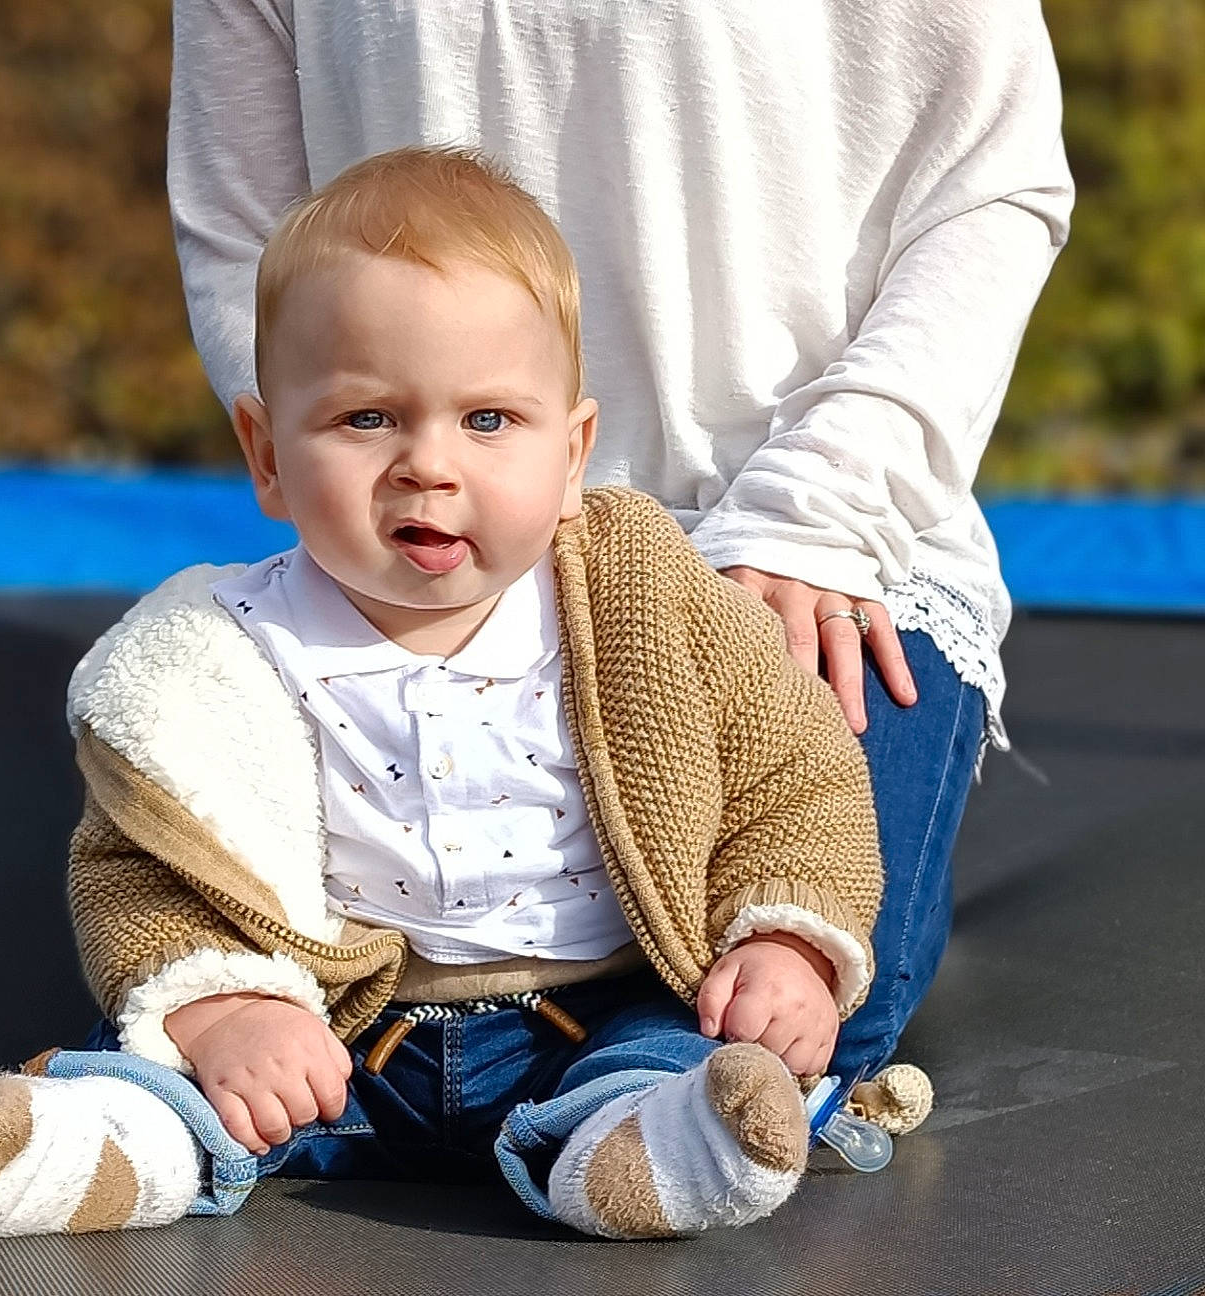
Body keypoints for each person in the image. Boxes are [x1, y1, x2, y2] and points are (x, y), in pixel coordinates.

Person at [0, 148, 882, 1242]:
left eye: (489, 420)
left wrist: (787, 945)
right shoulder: (214, 654)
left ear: (572, 455)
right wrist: (226, 1009)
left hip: (595, 1013)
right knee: (176, 1070)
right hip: (330, 1037)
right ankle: (111, 1143)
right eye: (368, 419)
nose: (430, 465)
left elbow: (794, 776)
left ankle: (642, 1139)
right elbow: (133, 873)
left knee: (677, 1054)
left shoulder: (643, 602)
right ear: (266, 453)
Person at [166, 0, 1074, 1080]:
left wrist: (814, 508)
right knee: (213, 993)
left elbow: (989, 178)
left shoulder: (808, 523)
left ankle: (621, 1113)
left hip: (814, 541)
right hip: (425, 561)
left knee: (789, 1009)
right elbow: (244, 229)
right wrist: (368, 491)